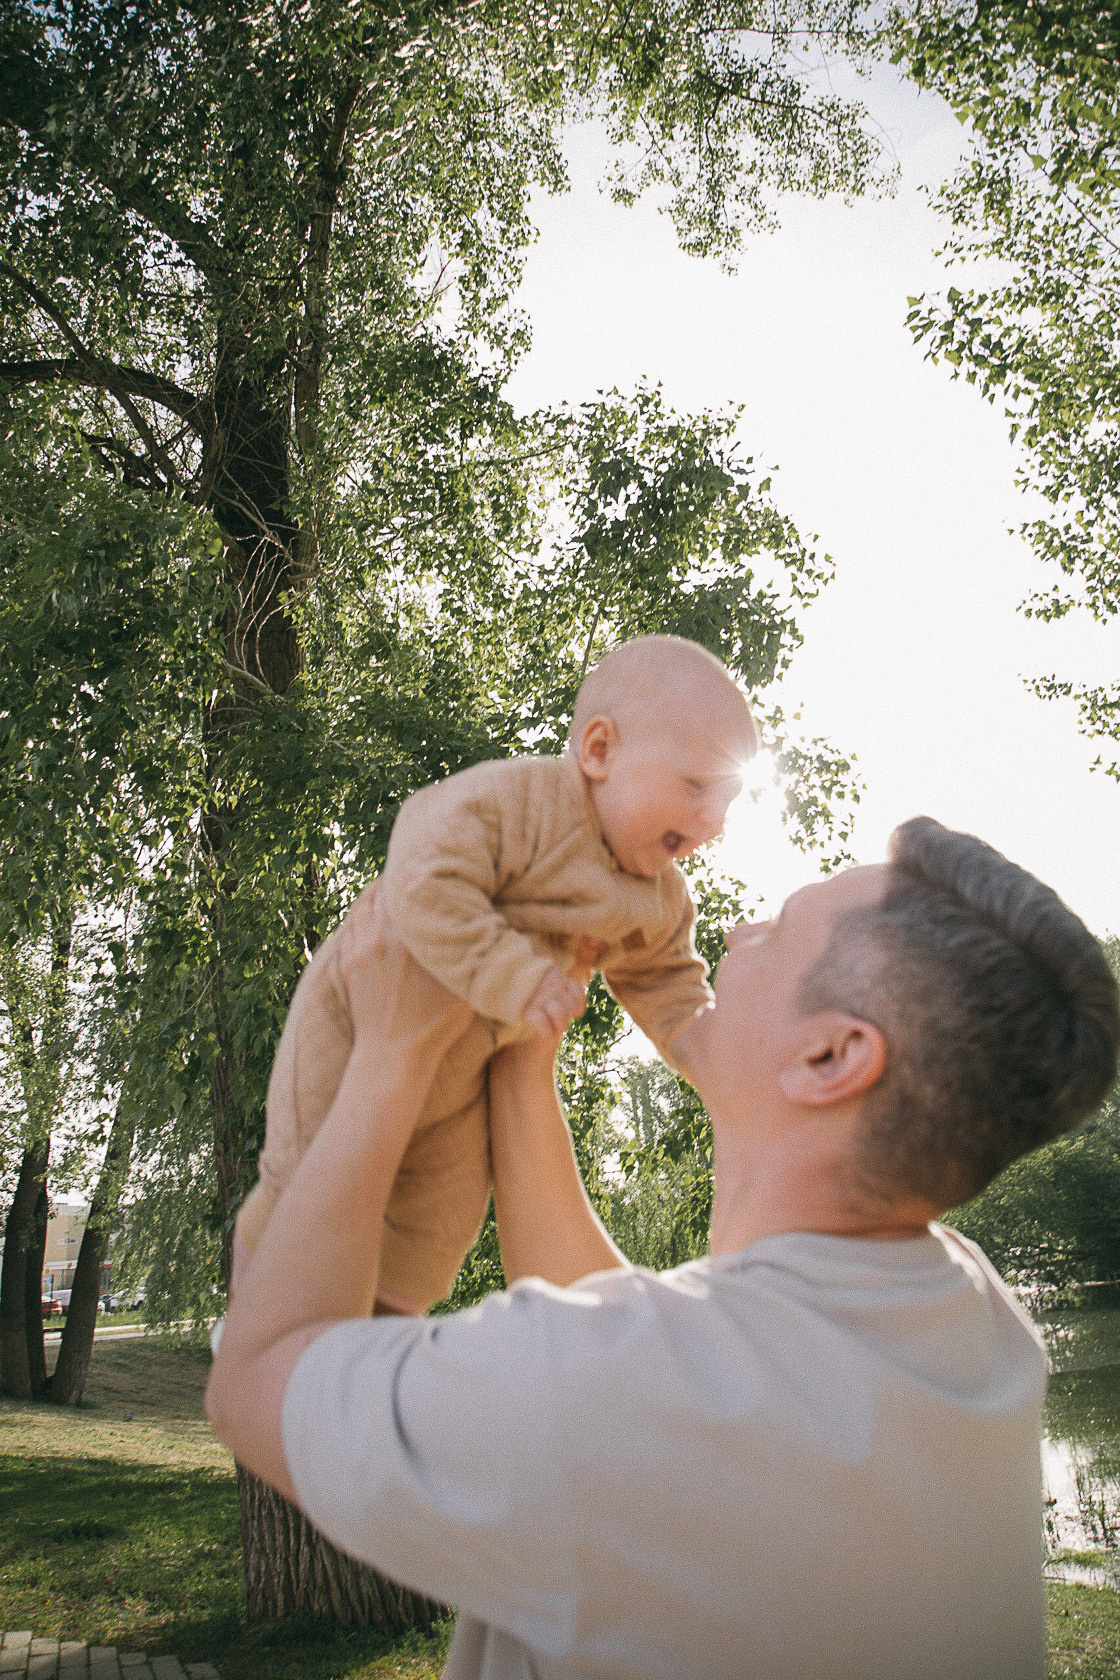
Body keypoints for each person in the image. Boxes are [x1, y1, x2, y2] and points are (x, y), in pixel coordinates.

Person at [206, 816, 1120, 1680]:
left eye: (780, 929)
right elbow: (633, 1350)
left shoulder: (629, 1393)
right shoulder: (975, 1317)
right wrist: (525, 1060)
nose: (735, 934)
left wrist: (391, 1055)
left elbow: (257, 1375)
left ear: (830, 1059)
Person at [234, 634, 756, 1312]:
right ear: (599, 752)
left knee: (440, 1223)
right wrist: (520, 978)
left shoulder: (658, 897)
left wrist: (720, 1061)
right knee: (306, 1176)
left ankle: (377, 1337)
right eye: (696, 787)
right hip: (362, 1018)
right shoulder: (519, 803)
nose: (713, 821)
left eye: (728, 801)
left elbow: (673, 989)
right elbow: (423, 874)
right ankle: (254, 1313)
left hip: (467, 1074)